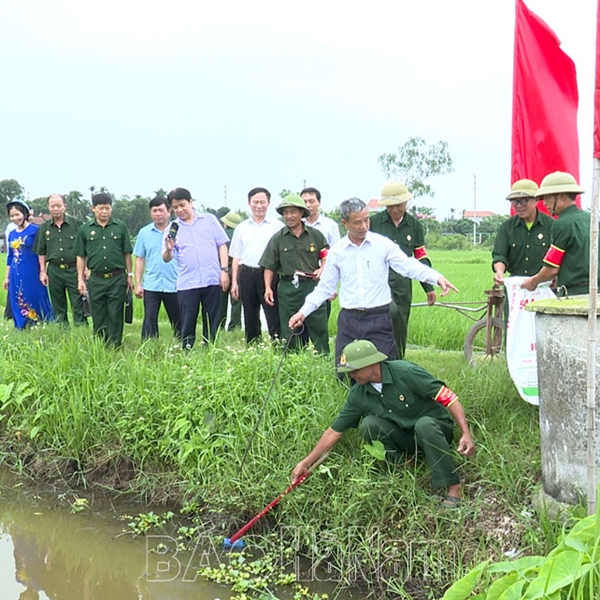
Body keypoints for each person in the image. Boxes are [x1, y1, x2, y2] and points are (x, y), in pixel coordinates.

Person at [291, 339, 475, 507]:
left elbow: (449, 398)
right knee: (369, 425)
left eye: (355, 370)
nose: (352, 375)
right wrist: (306, 462)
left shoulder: (405, 372)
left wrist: (465, 434)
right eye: (349, 371)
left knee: (424, 424)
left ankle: (454, 489)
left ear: (372, 363)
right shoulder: (358, 394)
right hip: (405, 438)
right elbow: (334, 431)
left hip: (434, 432)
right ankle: (405, 465)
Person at [289, 198, 458, 365]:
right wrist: (302, 313)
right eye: (357, 222)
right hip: (350, 320)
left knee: (384, 371)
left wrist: (437, 278)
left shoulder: (382, 245)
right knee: (345, 371)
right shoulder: (338, 252)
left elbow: (408, 266)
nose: (364, 226)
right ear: (345, 223)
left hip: (379, 317)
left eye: (366, 220)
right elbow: (325, 288)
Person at [369, 181, 436, 359]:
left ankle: (398, 361)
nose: (394, 209)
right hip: (378, 283)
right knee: (383, 319)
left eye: (398, 205)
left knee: (400, 324)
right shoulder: (373, 223)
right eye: (390, 206)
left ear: (406, 203)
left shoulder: (414, 226)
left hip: (402, 285)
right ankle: (376, 360)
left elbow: (420, 257)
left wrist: (428, 287)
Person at [260, 195, 330, 354]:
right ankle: (293, 360)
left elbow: (326, 254)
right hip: (288, 288)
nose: (289, 216)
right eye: (285, 213)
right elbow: (269, 266)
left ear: (301, 213)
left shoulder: (315, 235)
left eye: (292, 212)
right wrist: (267, 288)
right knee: (290, 328)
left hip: (312, 286)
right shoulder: (278, 238)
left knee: (318, 325)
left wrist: (322, 268)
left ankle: (324, 358)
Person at [162, 187, 229, 348]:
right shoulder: (172, 229)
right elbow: (166, 258)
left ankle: (210, 348)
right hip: (187, 282)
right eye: (175, 207)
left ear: (191, 202)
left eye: (182, 205)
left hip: (211, 278)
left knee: (211, 319)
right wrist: (169, 248)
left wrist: (224, 270)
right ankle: (187, 349)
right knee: (187, 319)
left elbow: (222, 245)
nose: (179, 210)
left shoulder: (209, 220)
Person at [522, 171, 597, 296]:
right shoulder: (591, 219)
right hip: (596, 293)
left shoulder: (561, 224)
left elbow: (551, 269)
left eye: (547, 198)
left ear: (562, 196)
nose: (544, 203)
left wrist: (533, 281)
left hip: (573, 294)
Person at [74, 193, 133, 347]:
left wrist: (130, 275)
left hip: (117, 277)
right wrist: (80, 279)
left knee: (115, 312)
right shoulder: (85, 230)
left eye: (107, 208)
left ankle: (115, 344)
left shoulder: (120, 227)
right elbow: (81, 256)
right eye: (101, 209)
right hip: (96, 278)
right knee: (98, 313)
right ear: (93, 209)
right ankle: (100, 343)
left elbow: (127, 252)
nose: (104, 212)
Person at [230, 187, 284, 343]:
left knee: (272, 311)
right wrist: (235, 281)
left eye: (262, 202)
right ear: (249, 203)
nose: (259, 206)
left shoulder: (277, 226)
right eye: (255, 202)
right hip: (246, 274)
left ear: (268, 203)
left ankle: (277, 344)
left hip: (269, 273)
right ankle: (253, 344)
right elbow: (236, 257)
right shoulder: (242, 228)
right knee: (249, 312)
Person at [33, 193, 86, 327]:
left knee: (78, 302)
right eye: (52, 206)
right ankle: (62, 330)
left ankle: (81, 329)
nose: (55, 209)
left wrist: (85, 269)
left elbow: (85, 249)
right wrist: (43, 271)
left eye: (58, 205)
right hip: (54, 270)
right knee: (58, 304)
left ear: (64, 206)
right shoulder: (44, 228)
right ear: (48, 207)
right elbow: (41, 252)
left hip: (74, 269)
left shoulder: (77, 224)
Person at [133, 196, 181, 340]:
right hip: (152, 284)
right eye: (154, 211)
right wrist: (138, 284)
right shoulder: (144, 232)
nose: (158, 214)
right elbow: (140, 259)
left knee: (178, 318)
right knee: (150, 319)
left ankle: (183, 345)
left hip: (175, 283)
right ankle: (149, 347)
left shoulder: (177, 229)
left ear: (169, 211)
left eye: (161, 210)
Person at [492, 179, 554, 287]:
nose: (519, 206)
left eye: (524, 201)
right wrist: (500, 272)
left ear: (536, 200)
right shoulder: (507, 227)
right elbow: (500, 255)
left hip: (544, 286)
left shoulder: (552, 226)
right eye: (514, 202)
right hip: (515, 287)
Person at [4, 200, 54, 329]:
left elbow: (42, 251)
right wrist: (7, 277)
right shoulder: (12, 234)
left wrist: (43, 270)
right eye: (12, 216)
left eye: (18, 214)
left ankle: (41, 321)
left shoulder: (35, 230)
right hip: (16, 270)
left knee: (35, 293)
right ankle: (22, 324)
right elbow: (10, 256)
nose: (15, 218)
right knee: (18, 295)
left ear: (25, 213)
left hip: (32, 268)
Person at [219, 211, 242, 331]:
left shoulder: (221, 236)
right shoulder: (239, 235)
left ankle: (219, 326)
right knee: (236, 301)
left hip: (222, 271)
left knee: (220, 302)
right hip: (237, 271)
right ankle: (235, 327)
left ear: (225, 224)